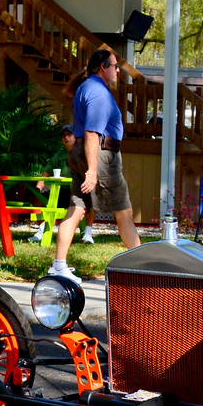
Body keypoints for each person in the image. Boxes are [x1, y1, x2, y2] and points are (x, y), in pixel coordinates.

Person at [50, 49, 141, 284]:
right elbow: (92, 132)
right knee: (124, 211)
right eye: (115, 66)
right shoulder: (99, 93)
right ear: (103, 67)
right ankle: (144, 267)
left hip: (81, 152)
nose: (118, 70)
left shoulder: (84, 87)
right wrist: (92, 170)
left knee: (77, 209)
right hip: (100, 157)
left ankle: (58, 266)